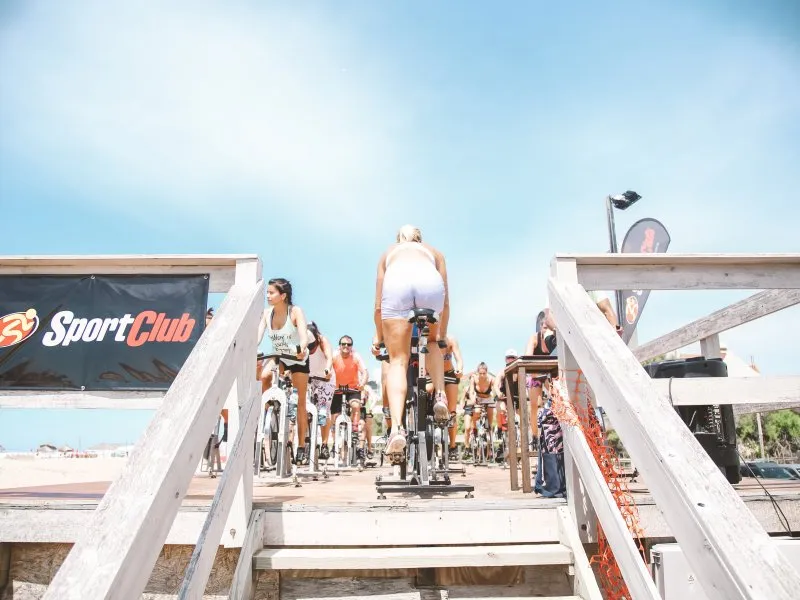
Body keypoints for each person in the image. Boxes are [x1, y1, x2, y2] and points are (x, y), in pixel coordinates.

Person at [372, 225, 450, 461]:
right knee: (432, 343)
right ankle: (440, 396)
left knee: (397, 360)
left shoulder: (389, 253)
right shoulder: (434, 252)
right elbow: (446, 303)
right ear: (419, 239)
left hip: (397, 284)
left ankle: (397, 429)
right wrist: (441, 336)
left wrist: (379, 338)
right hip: (430, 284)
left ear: (399, 239)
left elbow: (378, 306)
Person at [257, 278, 311, 465]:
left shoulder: (295, 311)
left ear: (283, 296)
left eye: (271, 292)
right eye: (267, 292)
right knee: (264, 376)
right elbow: (257, 336)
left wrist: (302, 347)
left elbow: (304, 337)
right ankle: (270, 412)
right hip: (279, 356)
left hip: (297, 358)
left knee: (300, 401)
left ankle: (301, 446)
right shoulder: (267, 313)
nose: (268, 296)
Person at [323, 335, 368, 459]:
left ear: (351, 346)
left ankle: (354, 431)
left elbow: (365, 372)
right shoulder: (334, 355)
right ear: (339, 346)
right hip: (336, 389)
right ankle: (334, 444)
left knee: (356, 405)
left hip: (353, 389)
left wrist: (362, 383)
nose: (346, 346)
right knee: (334, 416)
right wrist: (326, 374)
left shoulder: (356, 356)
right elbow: (327, 367)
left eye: (348, 344)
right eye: (343, 344)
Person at [307, 321, 335, 460]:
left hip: (325, 378)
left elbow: (329, 357)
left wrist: (327, 369)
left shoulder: (323, 340)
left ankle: (324, 444)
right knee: (304, 409)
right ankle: (306, 442)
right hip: (308, 378)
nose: (310, 349)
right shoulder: (301, 341)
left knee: (323, 410)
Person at [434, 334, 463, 462]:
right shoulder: (430, 337)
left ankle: (452, 446)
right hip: (434, 374)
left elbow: (459, 358)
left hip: (449, 374)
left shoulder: (451, 340)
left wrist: (460, 369)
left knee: (452, 413)